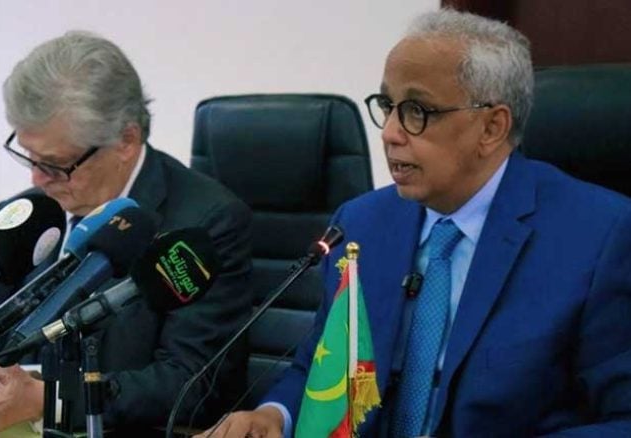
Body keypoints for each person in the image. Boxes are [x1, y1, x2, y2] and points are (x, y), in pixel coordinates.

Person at [197, 8, 631, 438]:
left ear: (491, 127)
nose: (389, 132)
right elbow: (321, 366)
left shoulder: (599, 236)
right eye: (388, 106)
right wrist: (274, 416)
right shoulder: (361, 224)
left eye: (417, 110)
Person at [0, 31, 253, 435]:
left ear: (126, 140)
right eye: (28, 156)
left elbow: (192, 383)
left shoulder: (204, 224)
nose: (37, 179)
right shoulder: (27, 217)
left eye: (56, 164)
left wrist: (49, 401)